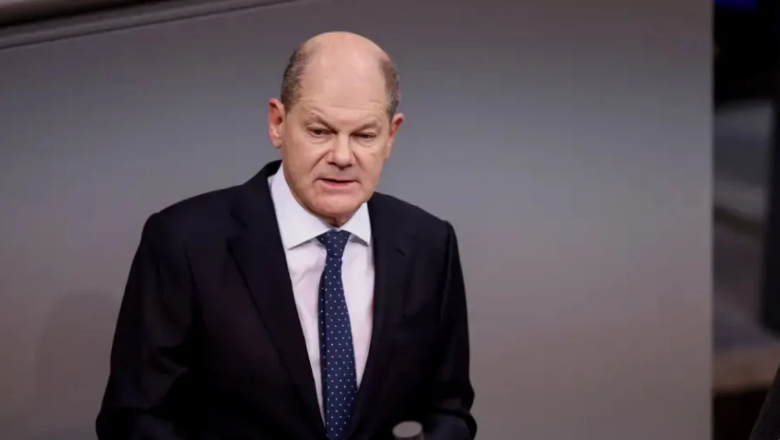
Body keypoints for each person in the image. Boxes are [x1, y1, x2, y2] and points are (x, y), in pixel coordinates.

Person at [95, 31, 476, 440]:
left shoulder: (430, 244)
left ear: (391, 136)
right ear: (277, 123)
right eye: (320, 131)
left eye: (364, 135)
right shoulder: (184, 241)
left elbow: (449, 409)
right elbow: (135, 418)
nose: (342, 157)